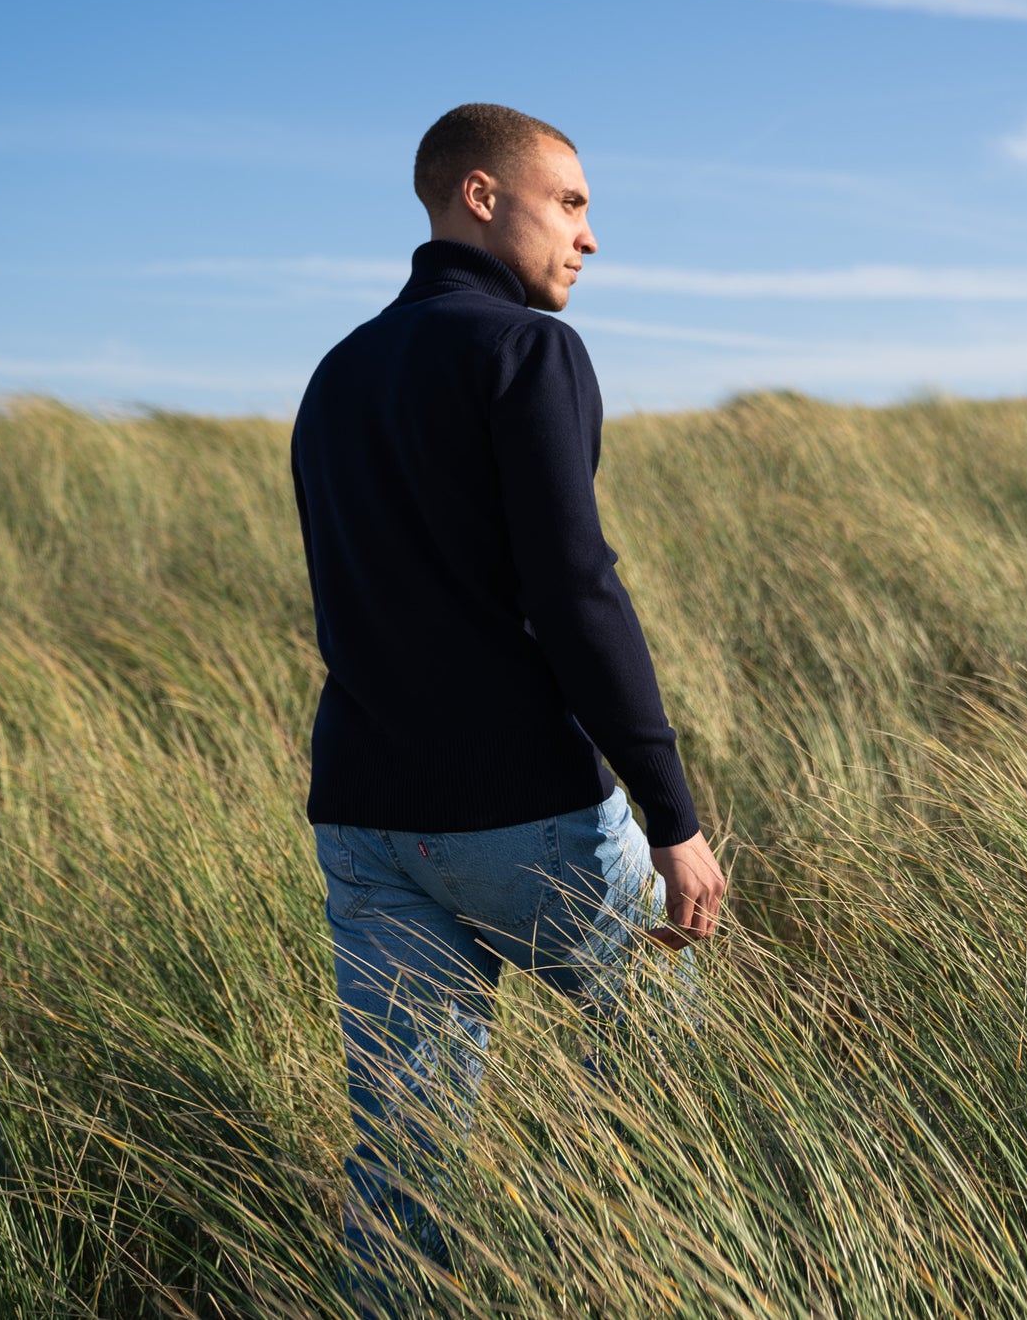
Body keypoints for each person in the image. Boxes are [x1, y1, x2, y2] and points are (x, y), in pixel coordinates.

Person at [288, 102, 727, 1307]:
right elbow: (576, 593)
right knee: (674, 1084)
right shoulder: (530, 353)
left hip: (366, 820)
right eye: (571, 204)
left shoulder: (335, 374)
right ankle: (629, 1279)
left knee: (402, 1161)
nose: (589, 238)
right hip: (528, 814)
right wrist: (674, 820)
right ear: (480, 197)